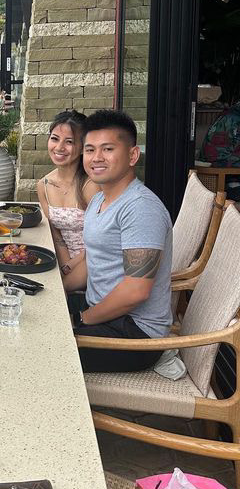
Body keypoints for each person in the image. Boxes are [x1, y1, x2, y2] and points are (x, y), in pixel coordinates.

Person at [68, 109, 173, 373]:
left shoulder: (140, 208)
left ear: (132, 155)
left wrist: (81, 319)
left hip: (135, 334)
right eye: (90, 150)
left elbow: (136, 291)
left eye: (108, 149)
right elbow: (93, 261)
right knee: (30, 309)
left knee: (40, 346)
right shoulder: (99, 199)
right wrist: (56, 287)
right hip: (100, 308)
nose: (96, 158)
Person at [37, 110, 99, 292]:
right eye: (55, 139)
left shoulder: (91, 186)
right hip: (63, 262)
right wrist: (65, 265)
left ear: (83, 147)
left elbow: (103, 241)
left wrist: (71, 266)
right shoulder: (43, 185)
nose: (59, 147)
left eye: (69, 142)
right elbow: (56, 234)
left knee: (50, 295)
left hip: (95, 262)